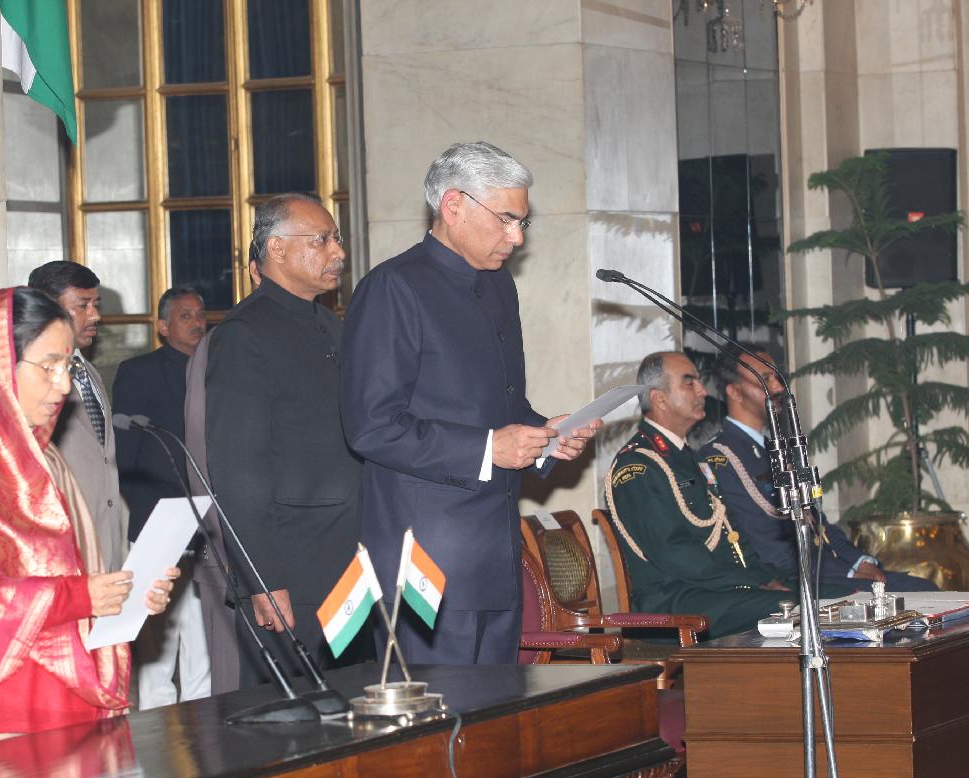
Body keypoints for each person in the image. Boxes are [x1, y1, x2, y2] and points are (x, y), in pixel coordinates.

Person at [0, 288, 178, 757]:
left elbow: (71, 572)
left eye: (69, 367)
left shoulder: (44, 454)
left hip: (67, 685)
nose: (62, 387)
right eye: (49, 366)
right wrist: (79, 597)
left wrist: (124, 597)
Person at [340, 142, 598, 665]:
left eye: (522, 222)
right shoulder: (393, 287)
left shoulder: (498, 286)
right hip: (423, 561)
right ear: (453, 206)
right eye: (506, 219)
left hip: (495, 555)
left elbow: (499, 407)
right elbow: (371, 425)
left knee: (497, 711)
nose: (517, 238)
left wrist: (546, 435)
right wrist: (487, 449)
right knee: (435, 712)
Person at [206, 195, 368, 686]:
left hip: (348, 559)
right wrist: (263, 579)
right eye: (322, 240)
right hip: (292, 571)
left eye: (337, 238)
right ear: (276, 249)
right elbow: (237, 469)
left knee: (354, 702)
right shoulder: (245, 333)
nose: (338, 252)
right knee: (290, 712)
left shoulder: (328, 324)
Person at [603, 351, 827, 639]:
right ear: (659, 398)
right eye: (689, 383)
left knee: (827, 593)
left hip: (714, 591)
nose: (703, 391)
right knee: (804, 607)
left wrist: (764, 577)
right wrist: (750, 583)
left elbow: (732, 533)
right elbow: (674, 552)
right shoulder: (637, 466)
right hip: (674, 601)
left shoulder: (687, 457)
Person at [700, 346, 937, 593]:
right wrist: (846, 573)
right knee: (920, 592)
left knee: (926, 591)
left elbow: (817, 521)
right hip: (792, 581)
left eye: (777, 378)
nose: (779, 387)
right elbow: (767, 544)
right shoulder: (722, 457)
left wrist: (860, 562)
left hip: (825, 570)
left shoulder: (776, 449)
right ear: (735, 392)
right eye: (766, 379)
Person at [112, 286, 210, 707]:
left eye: (200, 315)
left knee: (203, 636)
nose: (197, 323)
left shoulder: (215, 371)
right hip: (159, 520)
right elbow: (125, 457)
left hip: (208, 525)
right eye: (185, 316)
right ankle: (156, 718)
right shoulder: (139, 372)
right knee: (157, 635)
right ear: (163, 326)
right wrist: (150, 513)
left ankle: (203, 720)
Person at [183, 249, 262, 695]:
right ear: (257, 270)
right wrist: (219, 545)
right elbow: (202, 449)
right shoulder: (224, 343)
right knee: (237, 689)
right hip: (235, 547)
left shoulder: (325, 331)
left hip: (307, 547)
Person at [28, 261, 127, 574]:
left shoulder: (88, 371)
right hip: (62, 555)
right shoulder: (31, 379)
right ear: (48, 308)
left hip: (106, 549)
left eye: (96, 304)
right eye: (83, 305)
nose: (95, 315)